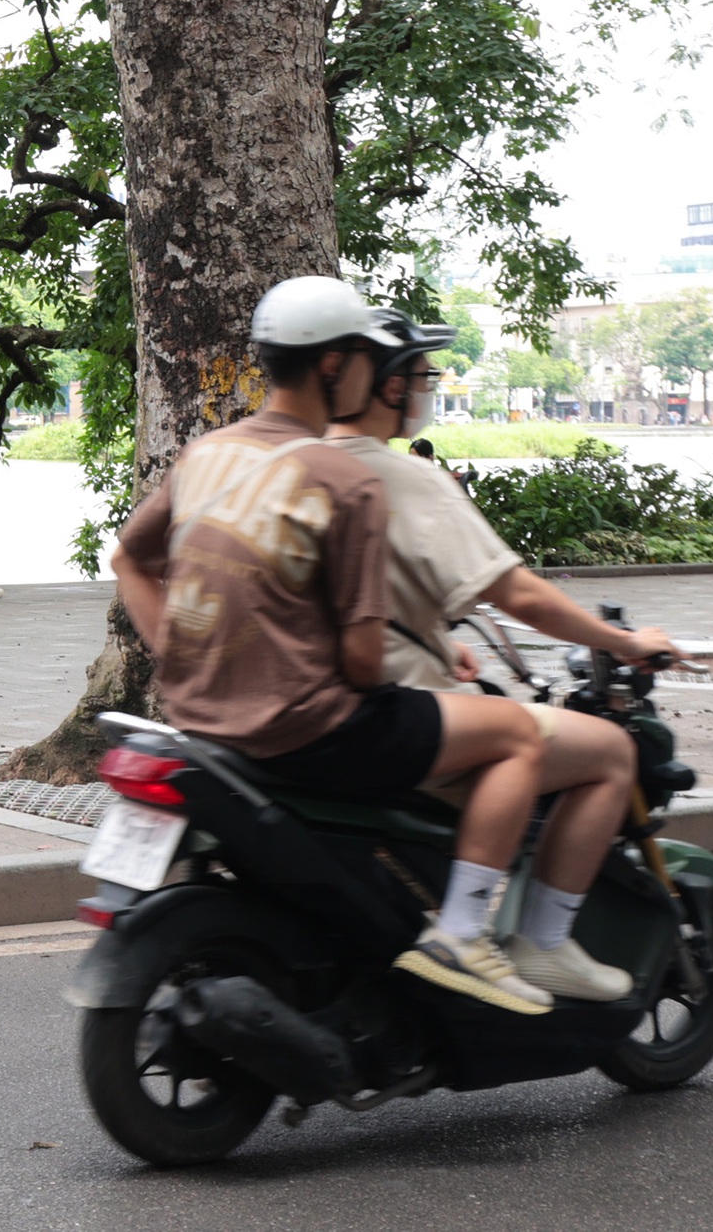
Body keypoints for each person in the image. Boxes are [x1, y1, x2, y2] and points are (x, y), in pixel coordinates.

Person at [112, 276, 566, 1016]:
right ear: (334, 367)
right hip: (310, 733)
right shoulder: (345, 478)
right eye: (363, 353)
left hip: (201, 723)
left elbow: (131, 559)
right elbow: (360, 665)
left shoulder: (207, 454)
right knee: (517, 734)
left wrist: (177, 649)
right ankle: (462, 935)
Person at [324, 316, 677, 1002]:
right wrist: (628, 644)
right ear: (391, 386)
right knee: (607, 750)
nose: (428, 389)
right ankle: (532, 939)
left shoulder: (300, 461)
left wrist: (430, 633)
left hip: (327, 696)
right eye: (424, 377)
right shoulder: (404, 473)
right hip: (401, 712)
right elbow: (519, 594)